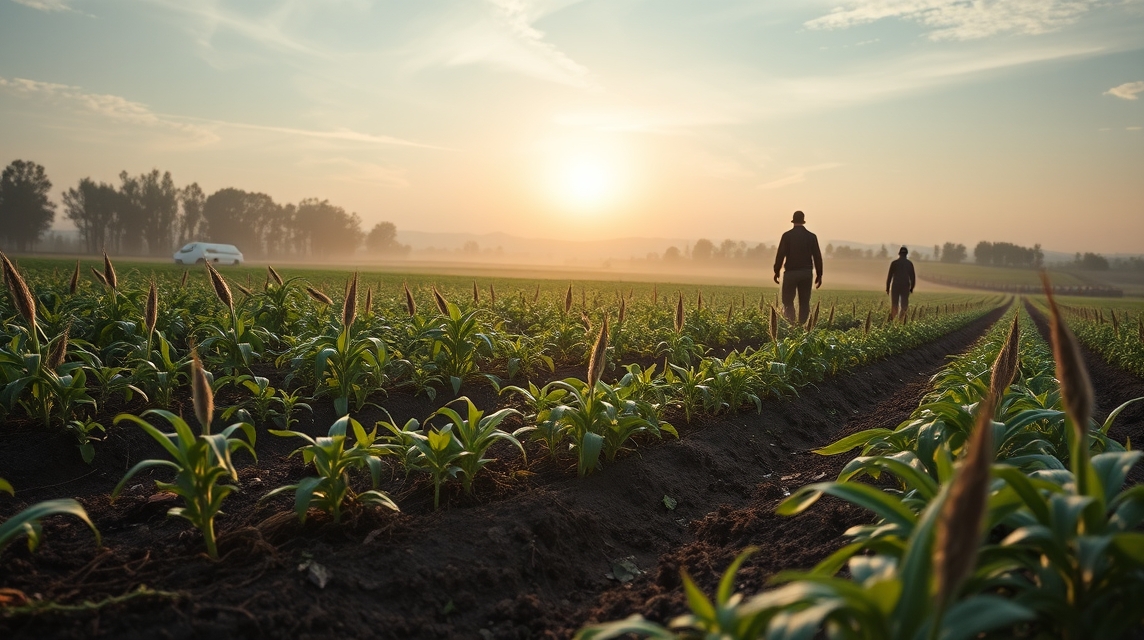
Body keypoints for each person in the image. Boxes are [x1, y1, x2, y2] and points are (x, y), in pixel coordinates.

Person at [773, 210, 823, 325]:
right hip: (806, 273)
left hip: (791, 273)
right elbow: (817, 257)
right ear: (803, 221)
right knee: (804, 302)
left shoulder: (787, 236)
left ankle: (791, 324)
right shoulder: (811, 237)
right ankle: (802, 327)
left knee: (787, 301)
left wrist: (776, 271)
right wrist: (819, 275)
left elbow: (780, 255)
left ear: (793, 221)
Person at [886, 246, 916, 322]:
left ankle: (892, 320)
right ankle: (901, 321)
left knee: (894, 305)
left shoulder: (894, 263)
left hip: (895, 286)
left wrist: (887, 287)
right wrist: (912, 288)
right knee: (904, 305)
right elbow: (912, 277)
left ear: (899, 254)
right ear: (906, 254)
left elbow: (889, 276)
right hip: (905, 286)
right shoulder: (909, 264)